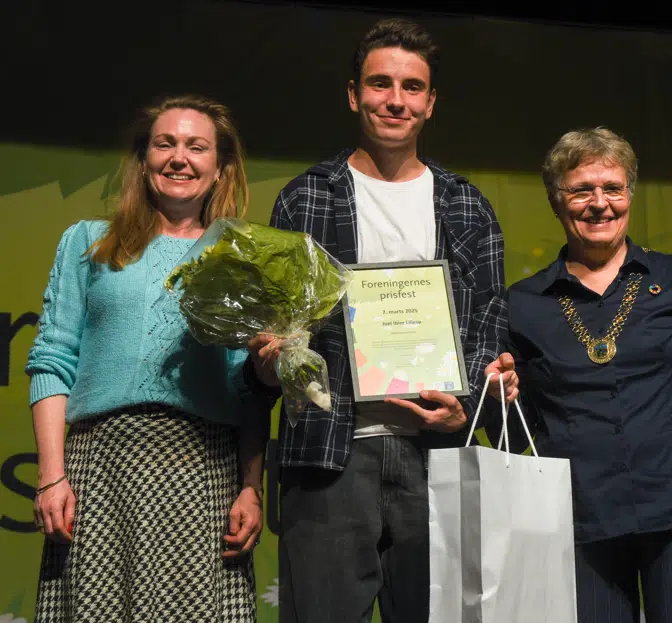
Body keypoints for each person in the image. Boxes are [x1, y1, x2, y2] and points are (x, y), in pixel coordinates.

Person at [246, 18, 507, 623]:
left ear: (430, 102)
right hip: (329, 456)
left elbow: (490, 323)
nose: (395, 100)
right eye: (380, 83)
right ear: (353, 94)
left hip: (436, 457)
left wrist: (467, 402)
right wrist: (269, 359)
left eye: (412, 87)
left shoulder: (467, 205)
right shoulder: (305, 197)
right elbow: (277, 333)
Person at [485, 127, 672, 622]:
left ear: (630, 195)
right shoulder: (523, 305)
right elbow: (521, 438)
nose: (600, 204)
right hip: (580, 526)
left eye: (613, 188)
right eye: (582, 190)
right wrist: (502, 401)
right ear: (556, 202)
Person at [26, 94, 268, 622]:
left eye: (197, 147)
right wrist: (51, 475)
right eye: (165, 144)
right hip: (99, 472)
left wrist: (252, 487)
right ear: (143, 159)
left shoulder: (238, 261)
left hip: (202, 470)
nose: (179, 158)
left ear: (220, 167)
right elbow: (52, 360)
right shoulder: (88, 243)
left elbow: (248, 389)